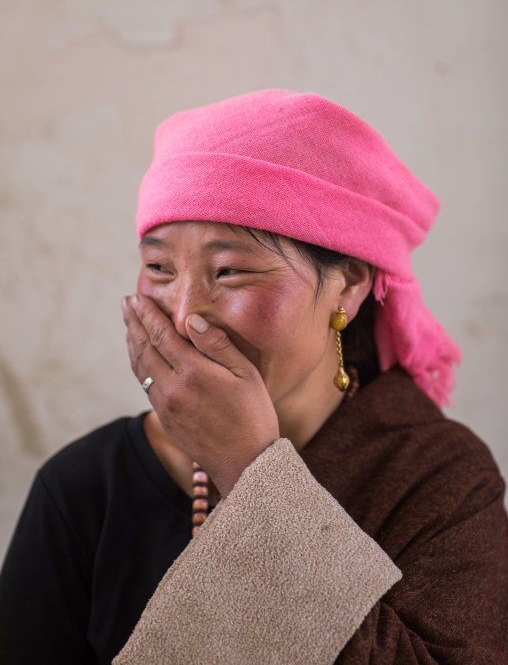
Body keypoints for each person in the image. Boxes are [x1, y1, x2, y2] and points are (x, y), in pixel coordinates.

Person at [0, 90, 507, 664]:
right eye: (159, 268)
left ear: (350, 284)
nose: (186, 314)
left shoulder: (440, 479)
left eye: (231, 270)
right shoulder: (83, 488)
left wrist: (250, 469)